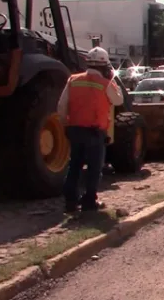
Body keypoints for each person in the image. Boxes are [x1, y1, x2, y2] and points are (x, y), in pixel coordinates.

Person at [58, 47, 124, 213]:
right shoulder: (106, 84)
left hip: (75, 129)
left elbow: (61, 106)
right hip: (95, 132)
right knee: (94, 168)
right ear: (104, 66)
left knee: (75, 165)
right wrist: (113, 81)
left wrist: (65, 125)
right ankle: (89, 201)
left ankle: (70, 202)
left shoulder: (73, 80)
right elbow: (118, 101)